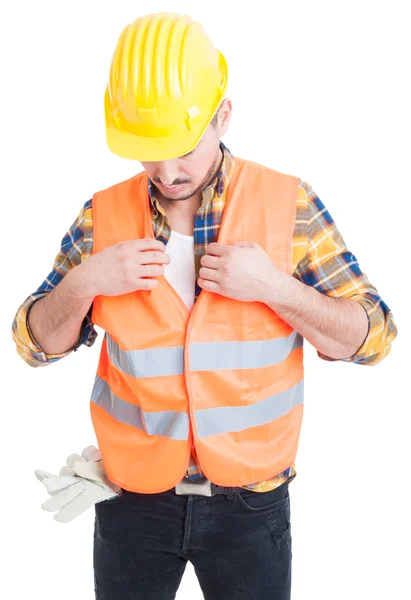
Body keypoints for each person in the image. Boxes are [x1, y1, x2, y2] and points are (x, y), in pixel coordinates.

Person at [11, 11, 398, 600]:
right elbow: (32, 345)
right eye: (147, 152)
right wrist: (85, 281)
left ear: (223, 114)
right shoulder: (102, 217)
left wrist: (276, 288)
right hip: (130, 500)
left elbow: (373, 339)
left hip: (251, 506)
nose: (166, 173)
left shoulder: (288, 205)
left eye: (182, 148)